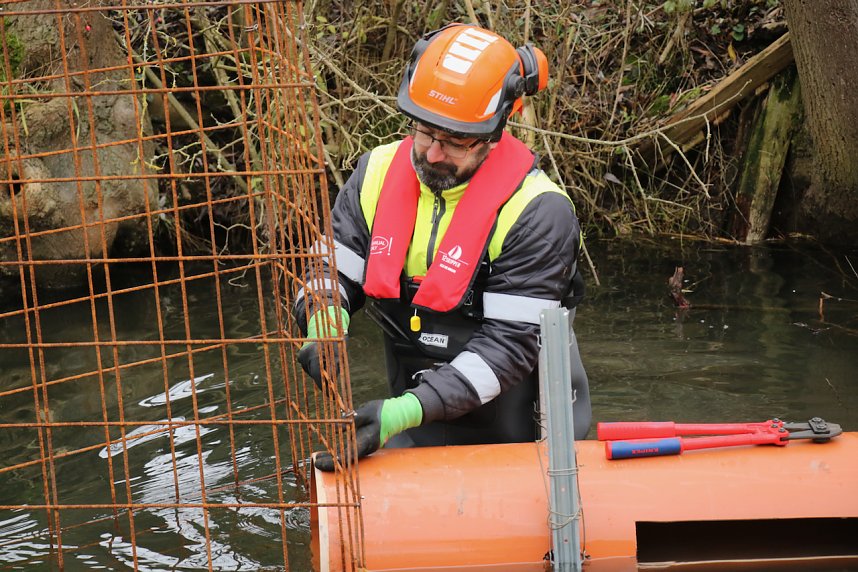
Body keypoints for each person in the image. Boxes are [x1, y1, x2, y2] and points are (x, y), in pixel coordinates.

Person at [295, 23, 590, 471]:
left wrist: (402, 412)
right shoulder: (373, 174)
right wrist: (324, 322)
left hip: (517, 433)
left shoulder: (540, 211)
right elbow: (330, 270)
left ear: (495, 131)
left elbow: (508, 349)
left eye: (454, 142)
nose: (432, 154)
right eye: (425, 132)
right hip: (412, 420)